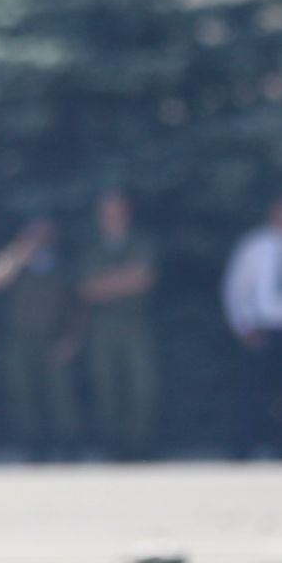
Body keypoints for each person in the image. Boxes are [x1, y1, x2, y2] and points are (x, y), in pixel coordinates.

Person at [0, 217, 81, 460]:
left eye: (44, 234)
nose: (40, 239)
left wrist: (71, 336)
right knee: (24, 393)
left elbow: (76, 303)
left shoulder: (62, 262)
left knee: (61, 394)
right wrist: (19, 253)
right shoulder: (15, 260)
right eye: (34, 234)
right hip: (20, 340)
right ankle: (34, 446)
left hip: (53, 337)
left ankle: (69, 446)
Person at [76, 190, 159, 460]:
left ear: (127, 213)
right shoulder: (93, 248)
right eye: (107, 212)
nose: (113, 217)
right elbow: (87, 290)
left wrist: (107, 282)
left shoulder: (141, 243)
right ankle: (113, 448)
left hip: (135, 324)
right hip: (103, 327)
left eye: (118, 210)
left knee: (142, 386)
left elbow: (144, 279)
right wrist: (125, 278)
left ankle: (140, 448)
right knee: (106, 386)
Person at [221, 191, 282, 459]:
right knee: (253, 394)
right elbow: (235, 289)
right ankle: (243, 451)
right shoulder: (254, 246)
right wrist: (244, 326)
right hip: (262, 328)